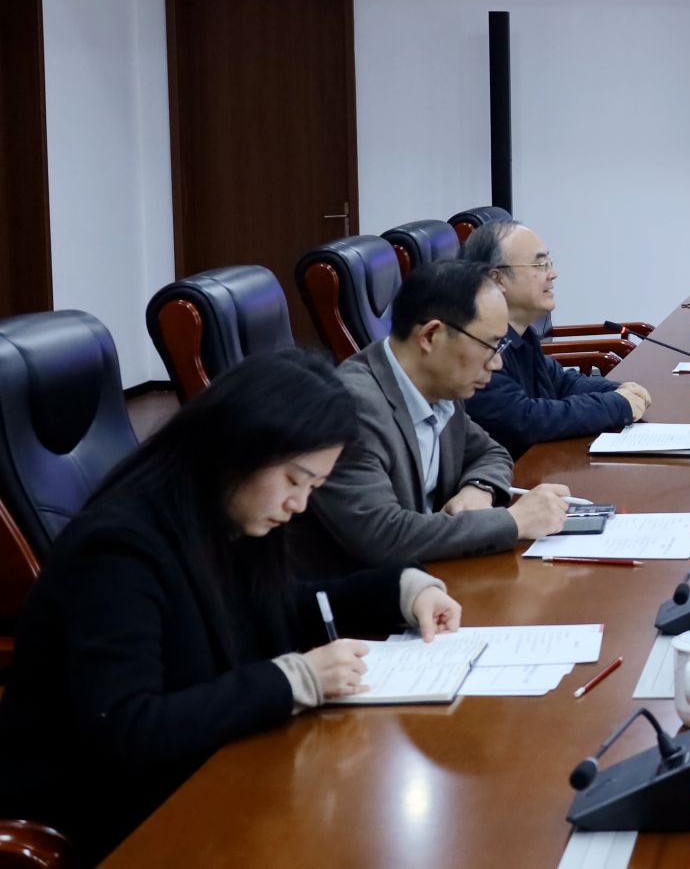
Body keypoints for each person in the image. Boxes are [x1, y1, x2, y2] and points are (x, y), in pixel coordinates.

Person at [0, 351, 464, 864]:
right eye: (294, 480)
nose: (300, 504)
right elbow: (129, 729)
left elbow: (274, 609)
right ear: (238, 447)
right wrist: (293, 680)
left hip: (208, 776)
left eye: (313, 487)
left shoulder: (220, 512)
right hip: (116, 818)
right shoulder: (117, 550)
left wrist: (401, 589)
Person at [301, 259, 570, 572]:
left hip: (440, 573)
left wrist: (478, 490)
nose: (496, 363)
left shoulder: (438, 384)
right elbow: (382, 536)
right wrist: (513, 522)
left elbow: (491, 452)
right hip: (376, 593)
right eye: (490, 345)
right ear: (431, 336)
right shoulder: (353, 408)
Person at [459, 220, 651, 457]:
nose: (553, 274)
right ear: (497, 279)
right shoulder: (478, 348)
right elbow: (525, 420)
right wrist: (617, 404)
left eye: (549, 263)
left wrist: (621, 390)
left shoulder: (521, 336)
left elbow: (561, 383)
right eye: (540, 265)